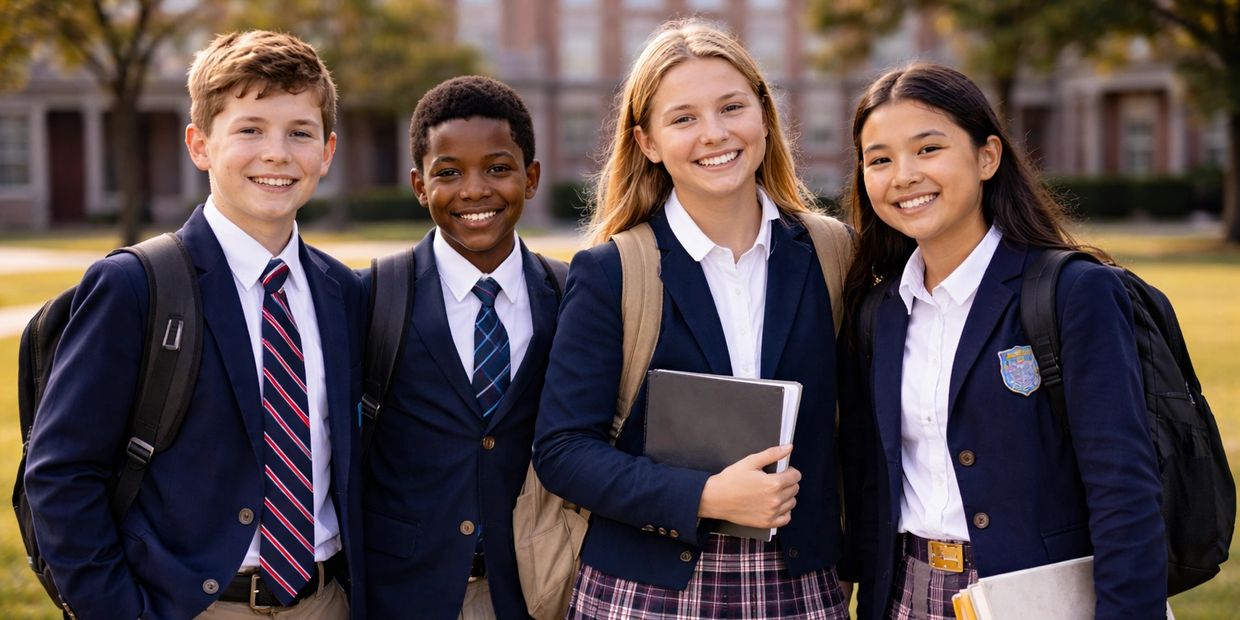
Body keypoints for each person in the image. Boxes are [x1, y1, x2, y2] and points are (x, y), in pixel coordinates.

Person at [23, 30, 366, 619]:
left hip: (325, 600)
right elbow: (60, 475)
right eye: (250, 128)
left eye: (300, 133)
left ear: (327, 152)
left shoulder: (345, 291)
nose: (277, 153)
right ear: (200, 144)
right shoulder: (135, 286)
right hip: (191, 606)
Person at [533, 18, 853, 619]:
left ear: (763, 113)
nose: (715, 134)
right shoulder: (613, 271)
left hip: (799, 584)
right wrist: (703, 495)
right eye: (683, 118)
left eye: (732, 107)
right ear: (648, 142)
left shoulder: (832, 252)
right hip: (649, 590)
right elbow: (563, 450)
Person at [838, 63, 1167, 619]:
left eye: (928, 149)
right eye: (879, 159)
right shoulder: (877, 311)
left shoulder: (1073, 291)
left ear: (987, 156)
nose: (903, 176)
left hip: (1035, 598)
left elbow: (1124, 492)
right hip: (904, 595)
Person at [361, 75, 563, 620]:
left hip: (536, 588)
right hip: (406, 591)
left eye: (498, 169)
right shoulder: (374, 294)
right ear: (420, 186)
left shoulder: (571, 296)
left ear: (532, 177)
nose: (474, 190)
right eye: (448, 173)